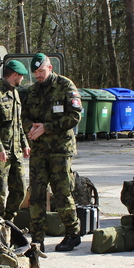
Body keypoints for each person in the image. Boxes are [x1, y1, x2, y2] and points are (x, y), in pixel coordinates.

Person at [22, 53, 84, 252]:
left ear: (50, 68)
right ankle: (37, 238)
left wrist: (46, 127)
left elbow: (74, 116)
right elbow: (23, 117)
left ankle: (73, 234)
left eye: (41, 71)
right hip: (39, 150)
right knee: (37, 194)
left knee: (62, 193)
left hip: (60, 150)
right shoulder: (31, 92)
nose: (38, 75)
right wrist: (32, 128)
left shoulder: (66, 86)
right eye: (35, 72)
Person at [0, 60, 31, 222]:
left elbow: (17, 123)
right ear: (14, 75)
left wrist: (24, 144)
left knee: (20, 190)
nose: (22, 79)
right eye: (21, 76)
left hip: (15, 152)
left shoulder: (14, 92)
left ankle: (8, 222)